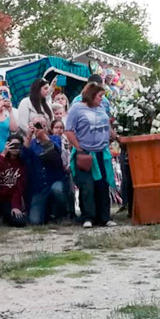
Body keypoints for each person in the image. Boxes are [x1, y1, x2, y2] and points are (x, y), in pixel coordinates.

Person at [65, 82, 117, 228]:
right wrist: (78, 147)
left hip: (101, 152)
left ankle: (104, 217)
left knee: (103, 184)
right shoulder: (76, 109)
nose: (102, 99)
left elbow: (107, 126)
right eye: (100, 96)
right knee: (87, 185)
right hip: (85, 153)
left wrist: (114, 136)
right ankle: (88, 217)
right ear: (91, 95)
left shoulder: (101, 108)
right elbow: (69, 130)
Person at [24, 118, 69, 225]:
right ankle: (48, 213)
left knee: (57, 190)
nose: (39, 128)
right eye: (36, 125)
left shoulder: (55, 139)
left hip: (54, 181)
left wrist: (43, 137)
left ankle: (62, 214)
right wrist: (29, 135)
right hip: (39, 187)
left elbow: (56, 152)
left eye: (42, 125)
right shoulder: (31, 143)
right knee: (35, 221)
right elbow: (24, 155)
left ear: (47, 127)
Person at [0, 134, 28, 227]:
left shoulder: (22, 164)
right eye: (12, 145)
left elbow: (19, 188)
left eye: (18, 146)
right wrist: (3, 153)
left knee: (20, 222)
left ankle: (4, 217)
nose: (15, 148)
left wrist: (15, 206)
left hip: (8, 199)